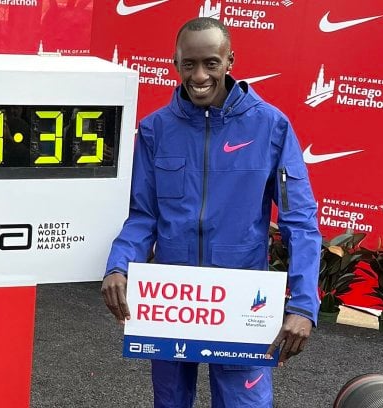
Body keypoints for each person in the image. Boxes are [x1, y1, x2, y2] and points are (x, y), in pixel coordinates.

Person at [101, 17, 321, 408]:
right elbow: (143, 216)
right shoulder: (155, 130)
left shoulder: (271, 126)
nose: (199, 75)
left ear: (229, 60)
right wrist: (118, 266)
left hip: (242, 300)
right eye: (189, 64)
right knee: (169, 403)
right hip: (171, 300)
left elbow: (299, 222)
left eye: (211, 64)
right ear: (175, 62)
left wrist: (303, 304)